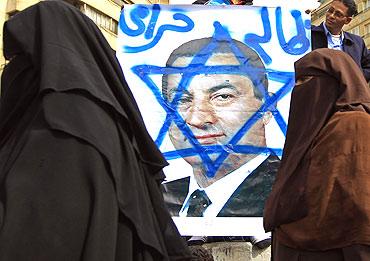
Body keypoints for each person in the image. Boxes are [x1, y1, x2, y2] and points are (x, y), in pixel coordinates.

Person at [0, 1, 191, 260]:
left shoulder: (57, 130)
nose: (11, 70)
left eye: (19, 58)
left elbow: (31, 236)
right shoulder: (108, 130)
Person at [161, 37, 280, 247]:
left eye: (223, 96)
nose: (197, 119)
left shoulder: (289, 195)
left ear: (267, 108)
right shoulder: (158, 198)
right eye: (181, 100)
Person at [264, 48, 370, 260]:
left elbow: (357, 210)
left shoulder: (352, 125)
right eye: (297, 82)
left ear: (335, 82)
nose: (299, 89)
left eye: (306, 80)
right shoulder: (322, 124)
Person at [311, 0, 370, 82]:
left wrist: (355, 80)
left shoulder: (357, 42)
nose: (331, 16)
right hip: (318, 92)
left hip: (348, 94)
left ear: (347, 20)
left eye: (338, 14)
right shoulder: (310, 34)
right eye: (330, 10)